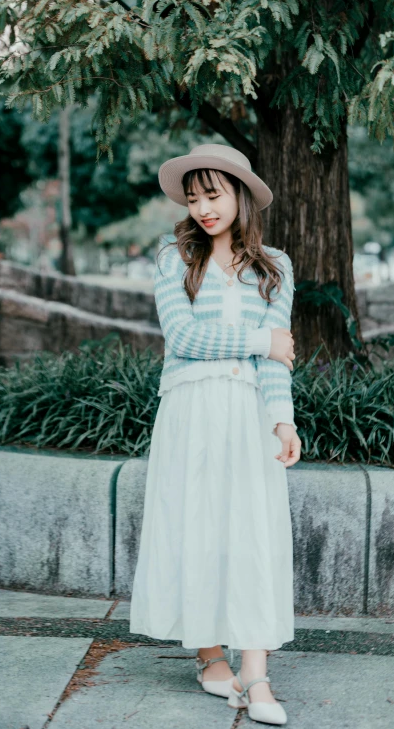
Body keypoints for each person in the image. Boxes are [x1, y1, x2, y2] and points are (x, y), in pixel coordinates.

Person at [129, 143, 301, 726]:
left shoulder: (274, 264)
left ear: (241, 195)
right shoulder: (173, 258)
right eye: (194, 197)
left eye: (215, 194)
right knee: (195, 527)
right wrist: (262, 343)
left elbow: (278, 362)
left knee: (254, 534)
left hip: (248, 412)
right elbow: (183, 338)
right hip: (190, 409)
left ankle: (255, 673)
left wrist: (285, 420)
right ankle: (208, 657)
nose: (203, 207)